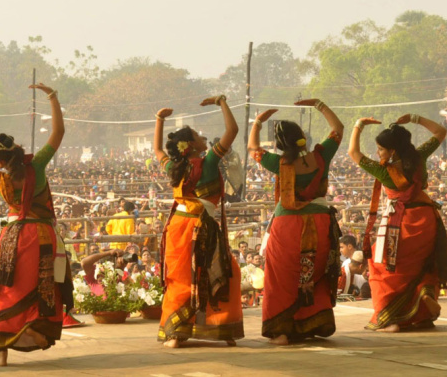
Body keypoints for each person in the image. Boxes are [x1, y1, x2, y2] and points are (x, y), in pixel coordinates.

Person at [0, 83, 71, 367]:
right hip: (43, 236)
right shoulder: (37, 166)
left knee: (6, 288)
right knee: (44, 285)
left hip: (12, 239)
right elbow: (58, 133)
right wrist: (52, 97)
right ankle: (37, 329)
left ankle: (2, 353)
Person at [248, 98, 344, 345]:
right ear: (304, 138)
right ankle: (312, 322)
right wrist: (320, 105)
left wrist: (258, 122)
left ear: (279, 145)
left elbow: (252, 148)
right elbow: (338, 129)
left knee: (281, 278)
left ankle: (280, 331)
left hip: (287, 225)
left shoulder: (279, 163)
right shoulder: (321, 157)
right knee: (313, 273)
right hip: (320, 223)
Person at [153, 95, 243, 348]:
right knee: (222, 273)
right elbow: (233, 130)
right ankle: (220, 327)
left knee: (180, 278)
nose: (204, 137)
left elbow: (158, 150)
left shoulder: (174, 166)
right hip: (201, 227)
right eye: (198, 135)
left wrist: (159, 119)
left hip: (177, 227)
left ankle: (176, 333)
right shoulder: (209, 161)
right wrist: (222, 102)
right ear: (190, 145)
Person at [348, 114, 447, 331]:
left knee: (384, 269)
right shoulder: (419, 157)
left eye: (381, 149)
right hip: (426, 219)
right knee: (421, 265)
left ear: (392, 150)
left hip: (400, 222)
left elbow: (353, 153)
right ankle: (421, 306)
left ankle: (392, 319)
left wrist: (358, 125)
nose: (378, 153)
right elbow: (441, 132)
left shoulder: (384, 170)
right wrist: (417, 118)